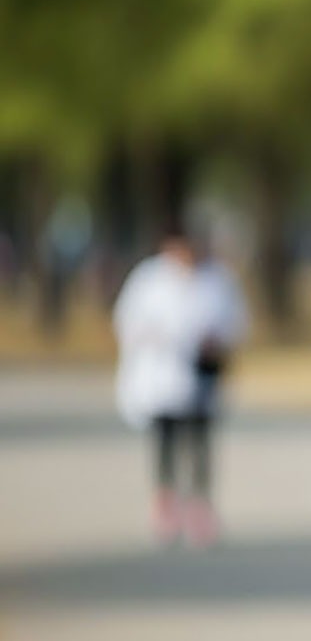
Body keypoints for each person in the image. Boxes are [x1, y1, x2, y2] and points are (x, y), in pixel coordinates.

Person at [113, 221, 249, 548]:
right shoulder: (149, 279)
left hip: (202, 375)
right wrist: (155, 337)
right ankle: (166, 503)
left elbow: (237, 321)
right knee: (166, 443)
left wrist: (217, 340)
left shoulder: (216, 279)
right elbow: (127, 322)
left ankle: (200, 506)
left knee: (200, 443)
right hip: (160, 378)